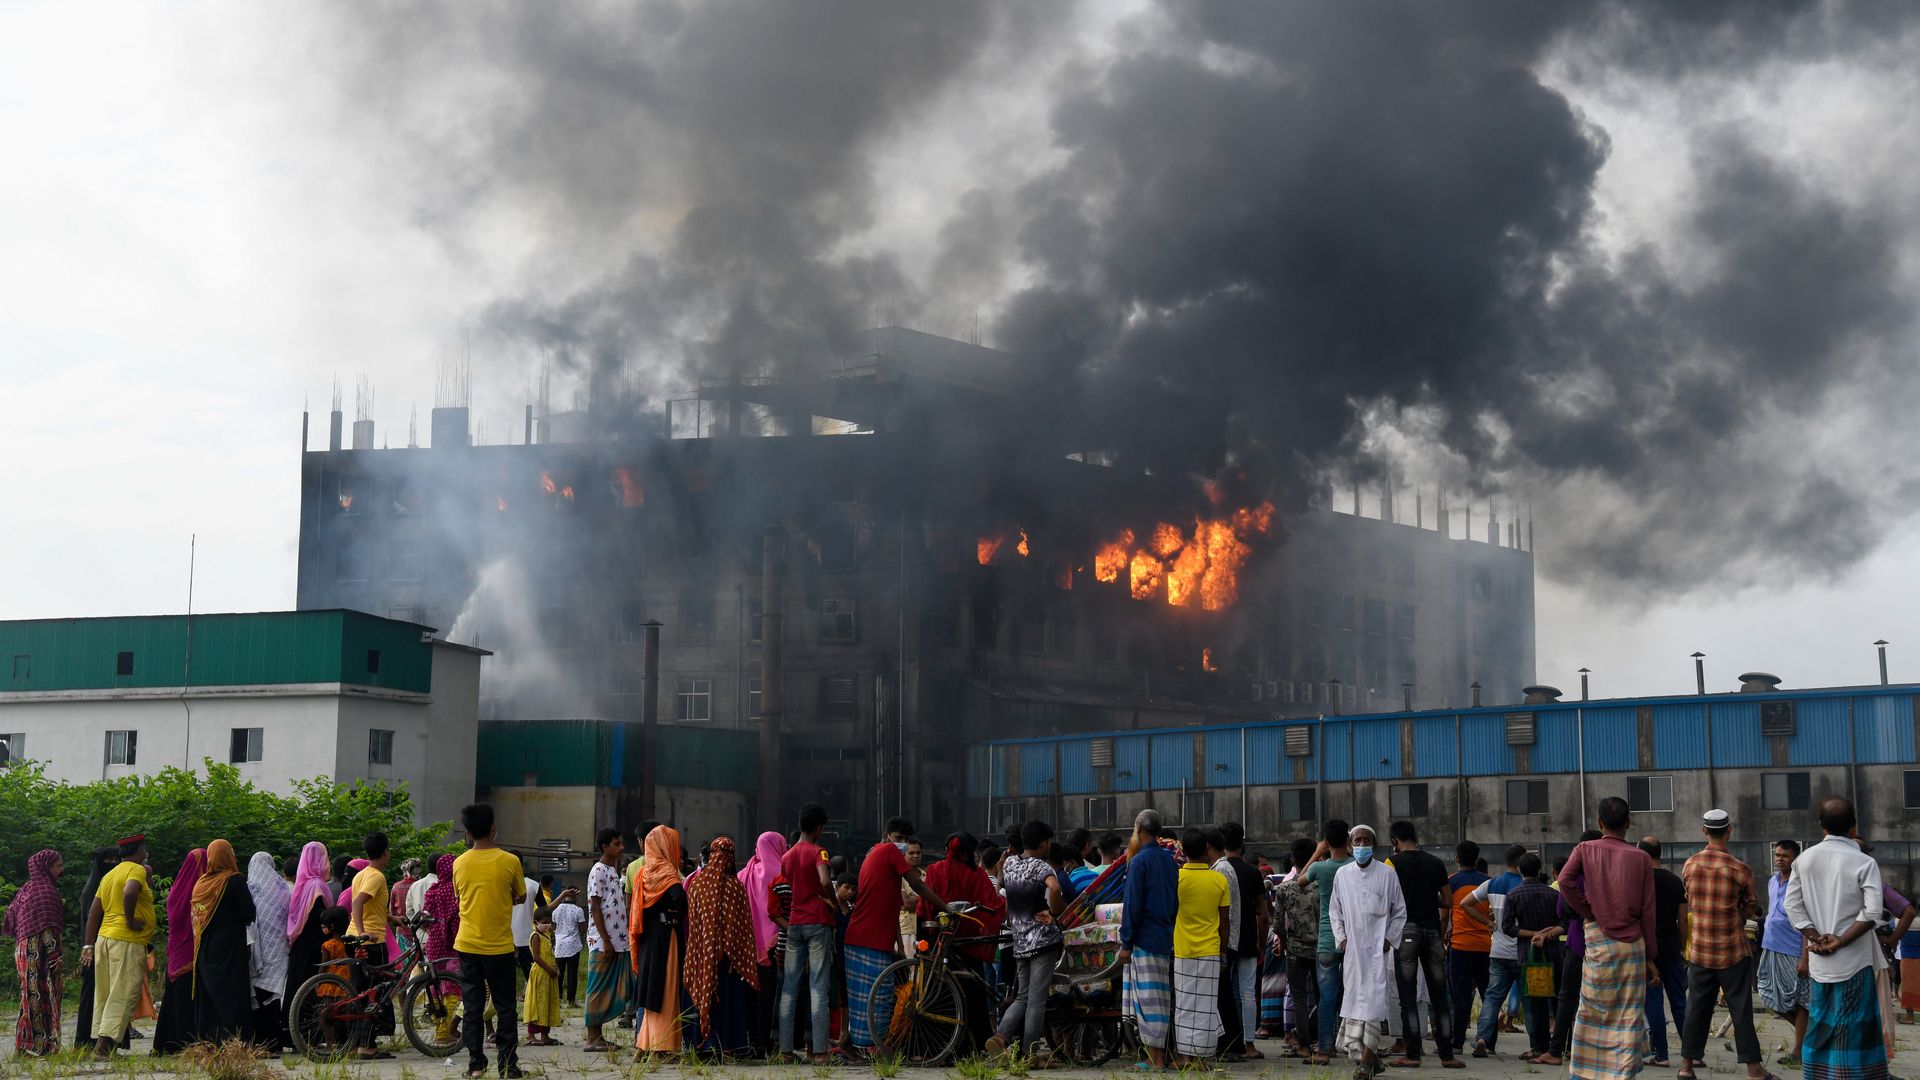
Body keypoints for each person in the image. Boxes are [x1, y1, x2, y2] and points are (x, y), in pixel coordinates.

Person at [1784, 797, 1888, 1080]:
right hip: (1854, 961)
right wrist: (1840, 941)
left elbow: (1791, 905)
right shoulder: (1864, 862)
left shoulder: (1803, 859)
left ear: (1821, 824)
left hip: (1820, 962)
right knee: (1851, 1027)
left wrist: (1816, 937)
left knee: (1820, 1025)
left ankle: (1815, 1075)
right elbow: (1873, 912)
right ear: (1854, 826)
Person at [1559, 796, 1659, 1080]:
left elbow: (1565, 881)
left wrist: (1586, 909)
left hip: (1598, 941)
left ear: (1600, 823)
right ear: (1628, 823)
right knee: (1628, 1015)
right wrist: (1651, 956)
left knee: (1592, 1009)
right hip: (1632, 947)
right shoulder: (1641, 858)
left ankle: (1582, 1075)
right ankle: (1622, 1073)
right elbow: (1648, 912)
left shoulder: (1584, 849)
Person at [1674, 809, 1764, 1080]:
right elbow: (1750, 909)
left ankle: (1686, 1067)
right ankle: (1754, 1069)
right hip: (1732, 951)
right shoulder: (1741, 869)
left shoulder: (1689, 865)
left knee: (1696, 1009)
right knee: (1740, 1011)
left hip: (1700, 949)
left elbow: (1689, 898)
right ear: (1729, 831)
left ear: (1704, 831)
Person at [844, 816, 945, 1056]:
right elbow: (918, 886)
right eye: (899, 838)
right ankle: (874, 1048)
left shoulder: (873, 853)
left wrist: (898, 943)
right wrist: (945, 906)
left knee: (865, 998)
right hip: (868, 937)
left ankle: (854, 1044)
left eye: (905, 840)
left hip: (864, 936)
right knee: (879, 997)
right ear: (887, 835)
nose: (901, 844)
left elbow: (893, 904)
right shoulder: (889, 851)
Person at [452, 802, 527, 1079]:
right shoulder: (510, 861)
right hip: (499, 947)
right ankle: (508, 1066)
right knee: (505, 1006)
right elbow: (519, 895)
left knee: (472, 1007)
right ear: (493, 827)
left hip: (467, 945)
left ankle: (475, 1065)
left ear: (468, 832)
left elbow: (461, 898)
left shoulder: (459, 863)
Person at [1325, 823, 1406, 1080]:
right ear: (1349, 845)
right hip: (1353, 953)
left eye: (1366, 841)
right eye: (1357, 841)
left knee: (1373, 1004)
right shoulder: (1342, 875)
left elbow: (1400, 911)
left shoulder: (1387, 873)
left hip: (1378, 952)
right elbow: (1334, 912)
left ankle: (1366, 1064)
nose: (1361, 846)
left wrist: (1390, 940)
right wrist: (1342, 940)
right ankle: (1370, 1059)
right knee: (1355, 1002)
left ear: (1374, 844)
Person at [986, 820, 1067, 1061]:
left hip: (1020, 941)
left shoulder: (1010, 863)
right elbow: (1054, 888)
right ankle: (1031, 1053)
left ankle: (1001, 1036)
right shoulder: (1041, 867)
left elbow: (1006, 891)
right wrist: (1053, 913)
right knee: (1036, 999)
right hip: (1043, 941)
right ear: (1043, 843)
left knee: (1023, 995)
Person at [1384, 821, 1458, 1068]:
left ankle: (1413, 1054)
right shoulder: (1436, 863)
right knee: (1439, 996)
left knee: (1408, 995)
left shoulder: (1391, 864)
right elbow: (1447, 901)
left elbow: (1387, 902)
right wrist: (1429, 898)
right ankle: (1447, 1055)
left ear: (1395, 841)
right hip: (1432, 933)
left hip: (1405, 932)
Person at [683, 836, 760, 1055]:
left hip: (701, 957)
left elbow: (693, 925)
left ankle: (702, 1045)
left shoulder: (697, 885)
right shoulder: (735, 887)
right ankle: (729, 1045)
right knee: (728, 1002)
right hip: (729, 961)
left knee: (703, 997)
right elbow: (743, 927)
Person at [778, 803, 842, 1063]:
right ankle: (820, 1052)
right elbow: (826, 881)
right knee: (818, 987)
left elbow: (789, 881)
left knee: (789, 989)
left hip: (795, 923)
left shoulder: (787, 856)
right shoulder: (819, 852)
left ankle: (784, 1051)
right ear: (819, 828)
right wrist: (834, 904)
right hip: (818, 922)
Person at [188, 839, 257, 1045]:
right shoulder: (234, 880)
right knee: (232, 993)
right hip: (230, 946)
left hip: (205, 948)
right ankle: (235, 1041)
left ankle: (210, 1040)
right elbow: (248, 913)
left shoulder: (200, 883)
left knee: (210, 993)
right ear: (227, 855)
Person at [1462, 843, 1528, 1056]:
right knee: (1530, 999)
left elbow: (1465, 903)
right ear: (1521, 863)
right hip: (1523, 951)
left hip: (1498, 951)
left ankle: (1483, 1039)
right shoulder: (1526, 885)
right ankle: (1538, 1046)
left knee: (1491, 998)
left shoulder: (1493, 883)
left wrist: (1487, 922)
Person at [630, 824, 688, 1054]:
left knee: (650, 988)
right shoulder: (668, 873)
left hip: (647, 937)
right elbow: (680, 901)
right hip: (667, 936)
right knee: (667, 989)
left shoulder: (643, 872)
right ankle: (662, 1045)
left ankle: (644, 1042)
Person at [3, 848, 65, 1057]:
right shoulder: (45, 892)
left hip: (24, 950)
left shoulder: (27, 889)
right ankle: (43, 1046)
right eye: (58, 866)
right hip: (38, 953)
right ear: (45, 867)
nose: (61, 870)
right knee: (41, 997)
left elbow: (11, 915)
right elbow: (47, 928)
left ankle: (25, 1044)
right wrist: (56, 956)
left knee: (29, 997)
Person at [1499, 853, 1559, 1063]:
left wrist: (1531, 934)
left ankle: (1538, 1048)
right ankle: (1560, 1046)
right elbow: (1564, 922)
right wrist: (1544, 934)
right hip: (1553, 954)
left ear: (1519, 870)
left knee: (1535, 1004)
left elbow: (1507, 927)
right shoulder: (1552, 894)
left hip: (1529, 956)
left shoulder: (1514, 895)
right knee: (1557, 1000)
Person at [1756, 839, 1810, 1070]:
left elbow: (1809, 920)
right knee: (1769, 995)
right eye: (1777, 855)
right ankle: (1809, 1034)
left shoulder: (1803, 883)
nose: (1779, 859)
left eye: (1784, 856)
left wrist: (1805, 957)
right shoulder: (1772, 881)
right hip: (1770, 946)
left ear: (1795, 858)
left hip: (1793, 948)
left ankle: (1799, 1050)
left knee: (1799, 1001)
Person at [1215, 823, 1268, 1061]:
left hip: (1222, 940)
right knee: (1246, 992)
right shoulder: (1252, 872)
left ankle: (1229, 1041)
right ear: (1242, 842)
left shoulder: (1217, 870)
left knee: (1225, 993)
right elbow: (1263, 912)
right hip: (1247, 939)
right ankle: (1248, 1044)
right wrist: (1262, 942)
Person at [1305, 820, 1355, 1064]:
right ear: (1348, 840)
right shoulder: (1355, 865)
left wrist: (1317, 852)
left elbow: (1300, 880)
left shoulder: (1321, 868)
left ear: (1326, 841)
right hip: (1353, 940)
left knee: (1326, 997)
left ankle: (1324, 1049)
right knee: (1355, 994)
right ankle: (1354, 1043)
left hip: (1326, 939)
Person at [1637, 837, 1688, 1067]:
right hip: (1672, 948)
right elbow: (1683, 919)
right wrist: (1683, 947)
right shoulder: (1675, 881)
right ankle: (1692, 1054)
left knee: (1654, 1002)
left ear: (1642, 854)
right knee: (1679, 1000)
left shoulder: (1638, 880)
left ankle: (1661, 1054)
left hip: (1648, 949)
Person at [738, 829, 788, 1057]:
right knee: (771, 996)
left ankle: (752, 1042)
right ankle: (767, 1042)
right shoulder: (780, 872)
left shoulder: (744, 873)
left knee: (751, 994)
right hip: (776, 945)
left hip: (748, 945)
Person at [153, 847, 208, 1054]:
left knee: (173, 996)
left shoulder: (177, 888)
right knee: (186, 997)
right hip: (188, 949)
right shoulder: (196, 889)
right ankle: (185, 1042)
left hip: (177, 950)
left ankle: (166, 1043)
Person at [1443, 840, 1491, 1065]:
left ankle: (1457, 1043)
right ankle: (1486, 1039)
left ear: (1457, 858)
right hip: (1485, 945)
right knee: (1488, 995)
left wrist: (1443, 935)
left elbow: (1444, 915)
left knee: (1460, 995)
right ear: (1476, 858)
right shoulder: (1488, 883)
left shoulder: (1451, 882)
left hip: (1460, 946)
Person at [582, 826, 629, 1052]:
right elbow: (596, 907)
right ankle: (593, 1037)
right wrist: (606, 939)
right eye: (616, 844)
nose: (621, 848)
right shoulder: (598, 870)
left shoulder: (613, 870)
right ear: (604, 846)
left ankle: (597, 1035)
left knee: (609, 986)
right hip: (603, 941)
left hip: (616, 940)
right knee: (597, 987)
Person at [282, 841, 332, 1048]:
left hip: (300, 946)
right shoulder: (317, 886)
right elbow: (320, 918)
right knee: (312, 991)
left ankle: (292, 1035)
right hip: (314, 946)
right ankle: (310, 1036)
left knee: (297, 989)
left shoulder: (302, 885)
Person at [72, 845, 122, 1051]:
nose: (113, 865)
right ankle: (87, 1043)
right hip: (95, 950)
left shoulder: (106, 885)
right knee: (93, 996)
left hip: (106, 948)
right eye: (108, 861)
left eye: (115, 861)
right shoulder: (93, 889)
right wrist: (89, 946)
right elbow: (91, 920)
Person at [1278, 838, 1322, 1060]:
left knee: (1298, 998)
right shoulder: (1320, 885)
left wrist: (1286, 942)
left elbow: (1278, 924)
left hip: (1295, 949)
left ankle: (1303, 1044)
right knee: (1323, 996)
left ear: (1293, 859)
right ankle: (1322, 1042)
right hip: (1320, 947)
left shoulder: (1285, 888)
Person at [247, 851, 291, 1051]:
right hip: (278, 949)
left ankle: (260, 1041)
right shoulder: (282, 888)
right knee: (273, 995)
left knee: (258, 995)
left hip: (256, 951)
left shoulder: (250, 889)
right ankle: (274, 1042)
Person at [350, 832, 396, 964]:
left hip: (352, 936)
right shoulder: (377, 876)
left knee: (360, 984)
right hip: (371, 940)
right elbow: (358, 902)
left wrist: (393, 918)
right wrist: (362, 932)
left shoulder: (360, 874)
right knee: (379, 983)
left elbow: (370, 909)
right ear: (385, 852)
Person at [524, 906, 562, 1046]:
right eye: (544, 922)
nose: (547, 924)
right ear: (536, 922)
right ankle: (531, 1035)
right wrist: (549, 970)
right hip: (540, 974)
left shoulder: (547, 935)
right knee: (537, 1004)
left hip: (549, 976)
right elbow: (537, 957)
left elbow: (551, 954)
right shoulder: (536, 936)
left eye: (549, 922)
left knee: (547, 1003)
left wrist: (556, 969)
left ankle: (545, 1035)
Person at [551, 886, 585, 1008]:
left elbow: (554, 927)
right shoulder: (578, 910)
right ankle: (571, 1001)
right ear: (575, 895)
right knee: (572, 974)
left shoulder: (556, 910)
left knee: (558, 973)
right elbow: (582, 929)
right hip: (573, 946)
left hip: (559, 946)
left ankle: (558, 1000)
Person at [898, 837, 924, 956]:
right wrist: (923, 898)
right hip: (906, 930)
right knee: (907, 967)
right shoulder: (899, 876)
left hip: (923, 929)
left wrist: (913, 899)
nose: (915, 856)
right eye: (911, 853)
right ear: (904, 854)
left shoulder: (927, 876)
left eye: (918, 853)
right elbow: (906, 904)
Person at [512, 866, 540, 976]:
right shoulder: (533, 885)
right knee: (530, 975)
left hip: (504, 938)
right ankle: (531, 993)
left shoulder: (500, 883)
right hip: (526, 937)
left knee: (505, 978)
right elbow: (543, 909)